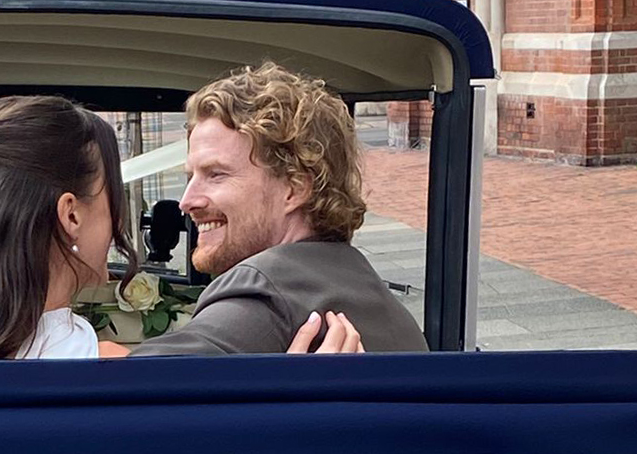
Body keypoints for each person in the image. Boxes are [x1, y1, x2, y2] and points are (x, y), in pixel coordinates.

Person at [0, 95, 361, 361]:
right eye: (113, 198)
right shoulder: (104, 369)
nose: (187, 201)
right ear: (71, 214)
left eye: (214, 174)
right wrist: (304, 400)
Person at [131, 63, 428, 357]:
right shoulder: (381, 303)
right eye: (190, 176)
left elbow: (126, 388)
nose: (186, 201)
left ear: (295, 188)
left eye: (216, 174)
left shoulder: (264, 290)